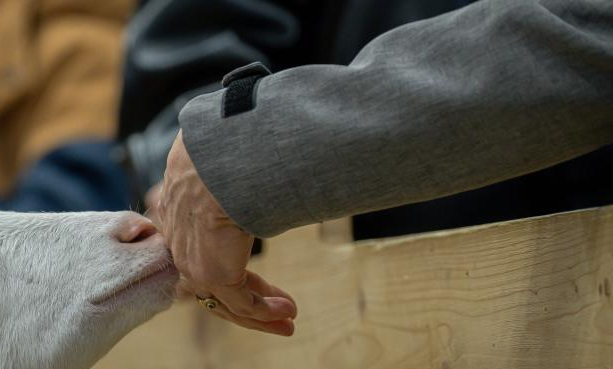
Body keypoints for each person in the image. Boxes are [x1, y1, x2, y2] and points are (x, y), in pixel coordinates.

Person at [156, 0, 613, 333]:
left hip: (558, 305)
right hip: (386, 333)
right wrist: (198, 162)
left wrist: (242, 151)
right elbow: (202, 37)